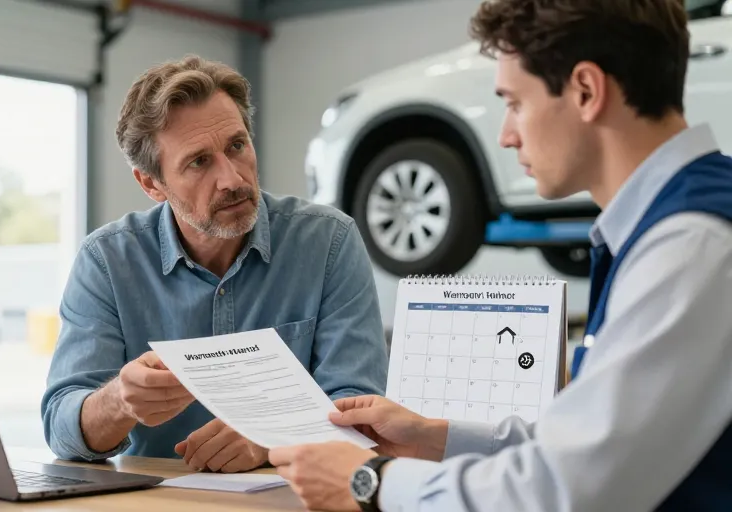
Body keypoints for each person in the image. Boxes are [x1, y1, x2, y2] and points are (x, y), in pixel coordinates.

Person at [268, 0, 732, 510]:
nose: (507, 135)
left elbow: (566, 490)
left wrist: (372, 483)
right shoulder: (665, 231)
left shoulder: (693, 243)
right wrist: (433, 436)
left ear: (585, 90)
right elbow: (590, 442)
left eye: (514, 103)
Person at [40, 55, 389, 473]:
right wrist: (118, 401)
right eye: (199, 162)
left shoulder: (328, 242)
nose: (233, 180)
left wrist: (270, 439)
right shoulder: (108, 261)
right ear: (151, 183)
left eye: (237, 146)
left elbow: (359, 411)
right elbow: (62, 429)